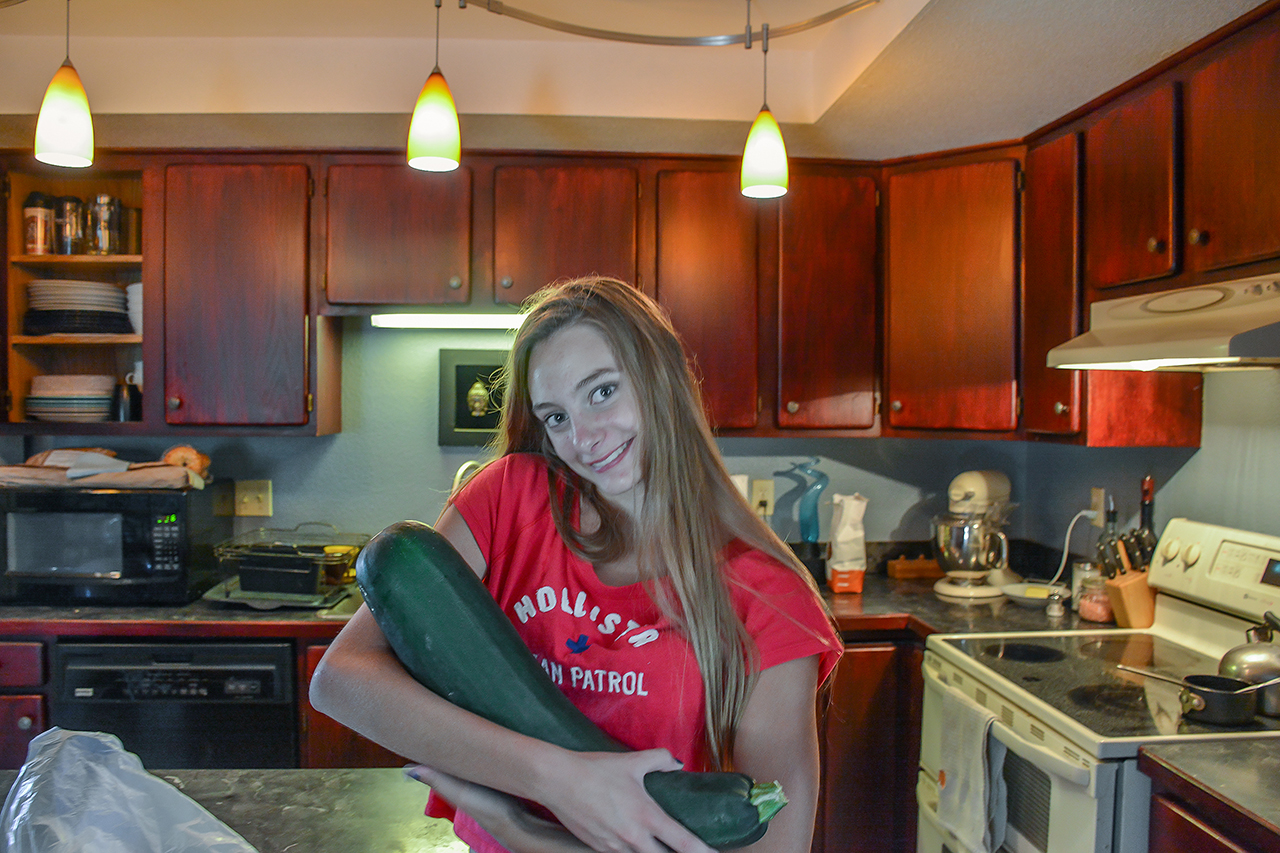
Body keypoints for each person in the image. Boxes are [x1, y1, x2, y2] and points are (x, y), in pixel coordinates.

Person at [309, 276, 842, 853]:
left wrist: (523, 827)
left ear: (661, 379)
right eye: (555, 417)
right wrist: (555, 777)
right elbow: (340, 680)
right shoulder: (510, 499)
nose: (584, 437)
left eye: (603, 391)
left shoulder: (767, 598)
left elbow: (771, 845)